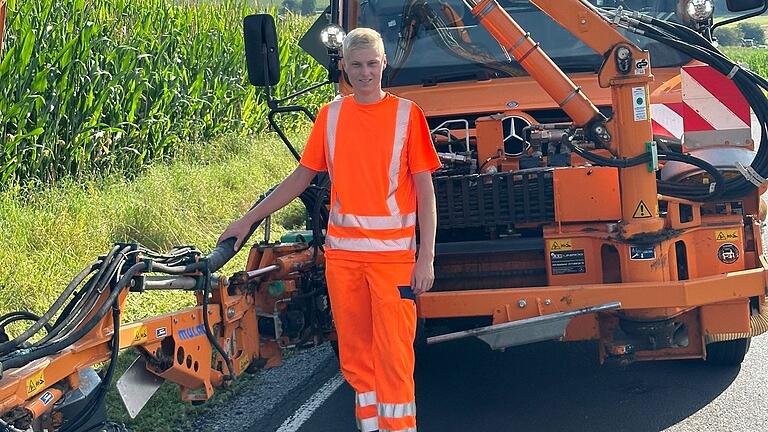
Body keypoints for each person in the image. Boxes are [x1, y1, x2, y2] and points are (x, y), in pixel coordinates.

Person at [218, 27, 440, 432]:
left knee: (394, 358)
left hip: (394, 263)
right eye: (356, 65)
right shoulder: (331, 115)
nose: (365, 72)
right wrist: (249, 218)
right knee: (355, 359)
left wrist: (426, 257)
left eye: (372, 63)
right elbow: (302, 177)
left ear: (384, 63)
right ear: (344, 67)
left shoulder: (409, 116)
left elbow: (425, 190)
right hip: (344, 260)